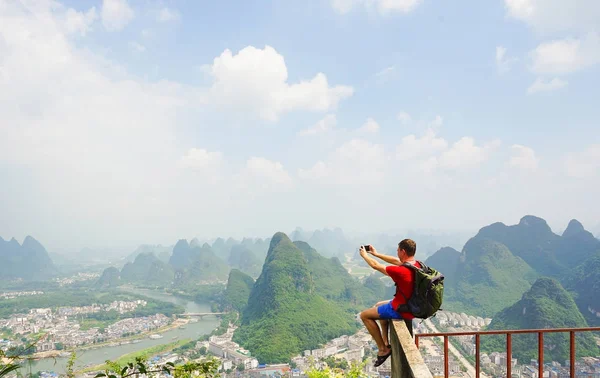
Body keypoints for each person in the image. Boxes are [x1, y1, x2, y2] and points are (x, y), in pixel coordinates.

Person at [358, 239, 420, 367]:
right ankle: (385, 341)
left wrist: (365, 256)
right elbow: (394, 260)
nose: (396, 253)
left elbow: (375, 265)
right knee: (378, 305)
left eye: (398, 250)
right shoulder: (416, 265)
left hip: (401, 309)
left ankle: (383, 349)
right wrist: (376, 253)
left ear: (403, 251)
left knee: (364, 315)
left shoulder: (401, 271)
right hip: (411, 304)